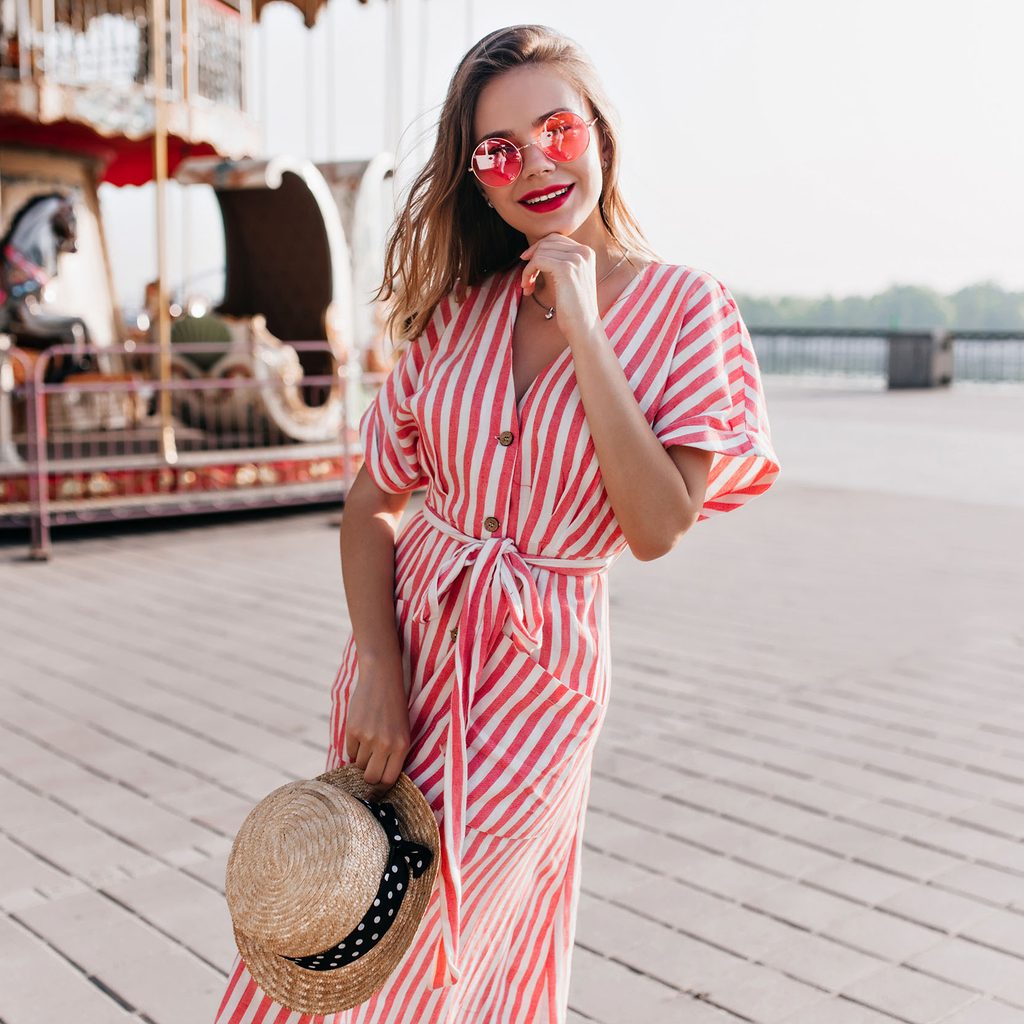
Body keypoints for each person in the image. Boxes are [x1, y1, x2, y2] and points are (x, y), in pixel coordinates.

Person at [213, 23, 780, 1024]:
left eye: (556, 128)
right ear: (476, 178)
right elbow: (371, 503)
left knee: (447, 937)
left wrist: (583, 316)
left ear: (599, 131)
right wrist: (380, 670)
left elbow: (657, 523)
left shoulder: (690, 309)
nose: (535, 163)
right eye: (498, 150)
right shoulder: (456, 315)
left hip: (537, 674)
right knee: (348, 917)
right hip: (409, 650)